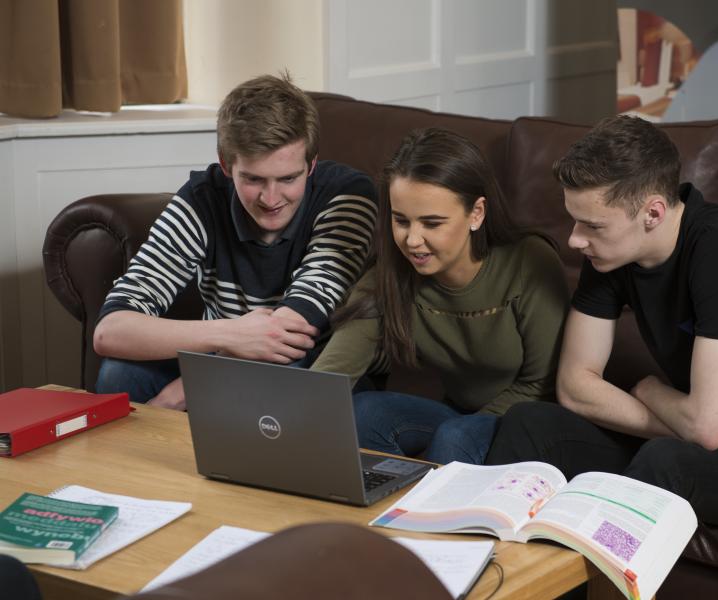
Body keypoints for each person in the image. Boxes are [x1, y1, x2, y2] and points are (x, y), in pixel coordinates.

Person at [485, 115, 718, 527]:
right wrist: (688, 423)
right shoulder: (607, 253)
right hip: (692, 434)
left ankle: (595, 585)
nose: (575, 239)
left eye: (592, 225)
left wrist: (649, 388)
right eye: (575, 220)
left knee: (666, 461)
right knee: (528, 423)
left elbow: (705, 427)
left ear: (653, 212)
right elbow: (574, 386)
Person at [93, 74, 377, 410]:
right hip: (225, 353)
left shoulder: (347, 197)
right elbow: (109, 331)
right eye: (253, 179)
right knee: (119, 374)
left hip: (311, 363)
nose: (271, 199)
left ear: (311, 165)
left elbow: (289, 330)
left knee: (289, 365)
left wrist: (182, 390)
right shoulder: (202, 201)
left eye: (288, 178)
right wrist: (229, 334)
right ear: (227, 165)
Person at [311, 128, 569, 465]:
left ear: (476, 213)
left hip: (529, 419)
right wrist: (273, 424)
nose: (412, 240)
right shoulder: (389, 275)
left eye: (432, 223)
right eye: (401, 220)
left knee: (456, 436)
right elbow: (331, 375)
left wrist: (467, 424)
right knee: (365, 411)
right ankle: (390, 504)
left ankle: (423, 512)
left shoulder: (529, 262)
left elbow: (541, 384)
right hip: (457, 414)